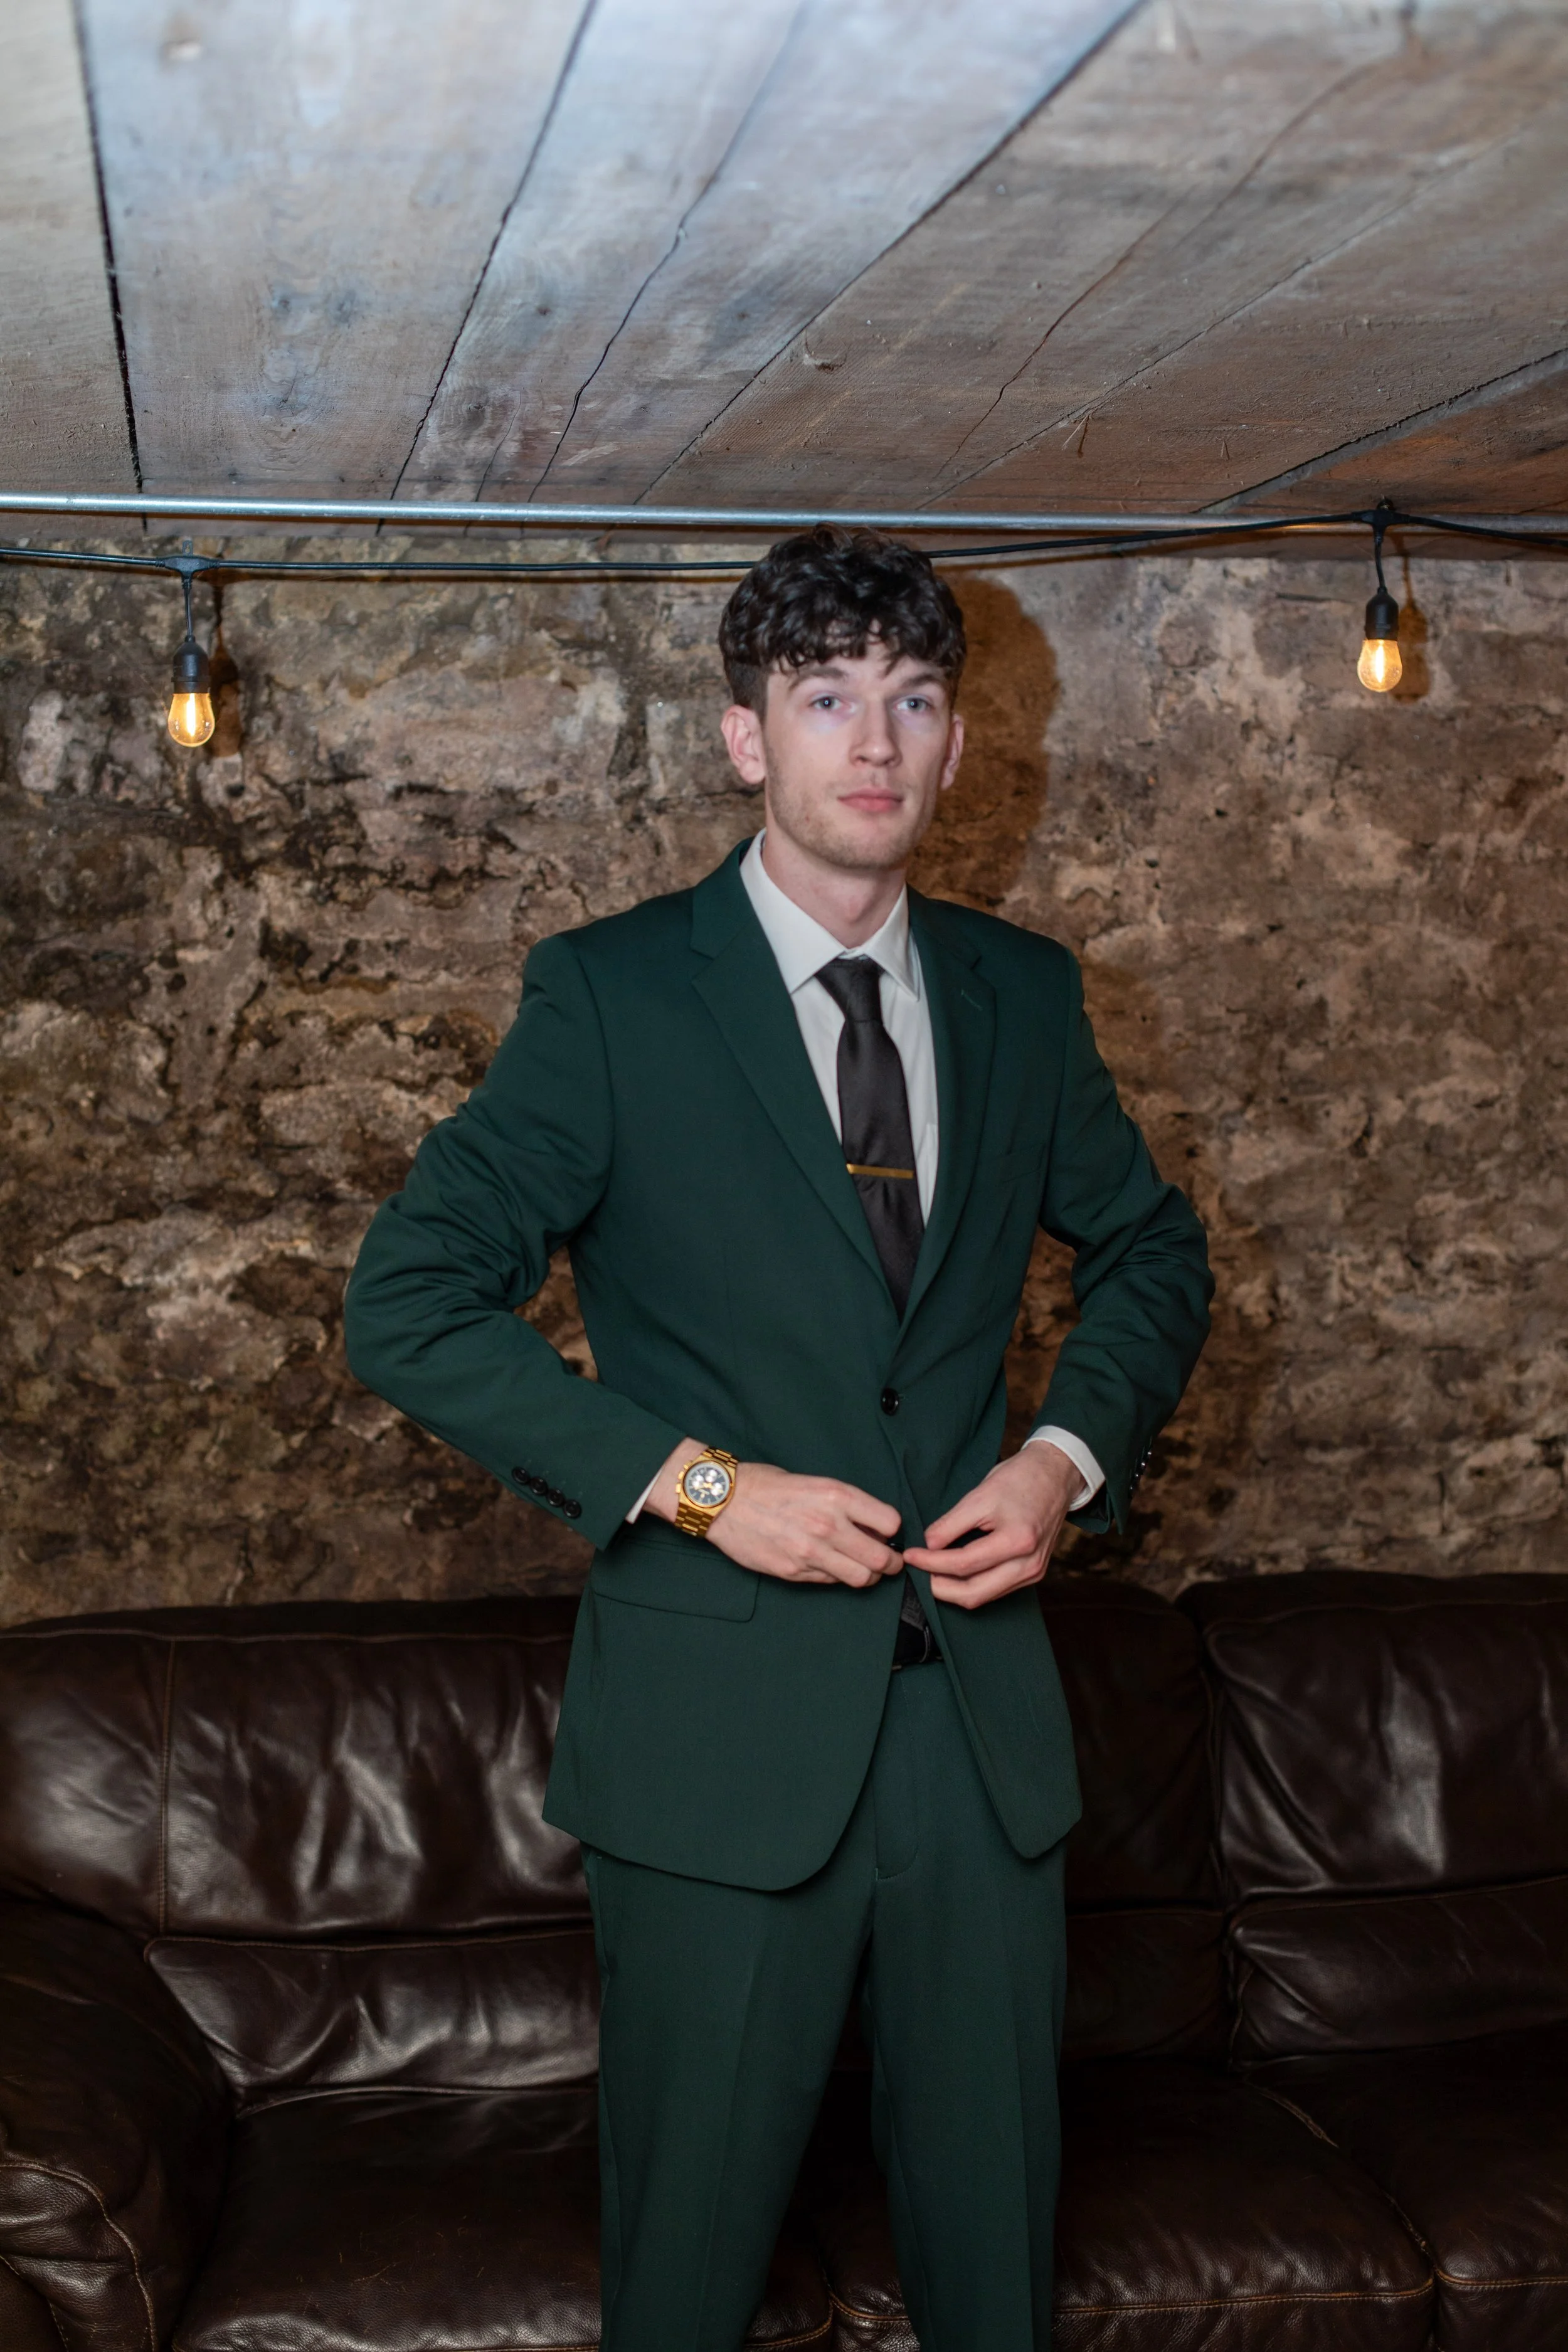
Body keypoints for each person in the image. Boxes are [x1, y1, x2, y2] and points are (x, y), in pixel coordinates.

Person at [344, 526, 1212, 2352]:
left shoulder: (1022, 994)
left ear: (956, 743)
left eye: (913, 699)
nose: (873, 742)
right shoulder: (610, 997)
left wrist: (1061, 1462)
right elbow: (406, 1302)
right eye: (825, 699)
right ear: (748, 737)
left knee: (996, 2278)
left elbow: (1151, 1248)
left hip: (977, 1740)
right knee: (688, 2275)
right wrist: (701, 1488)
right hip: (717, 1742)